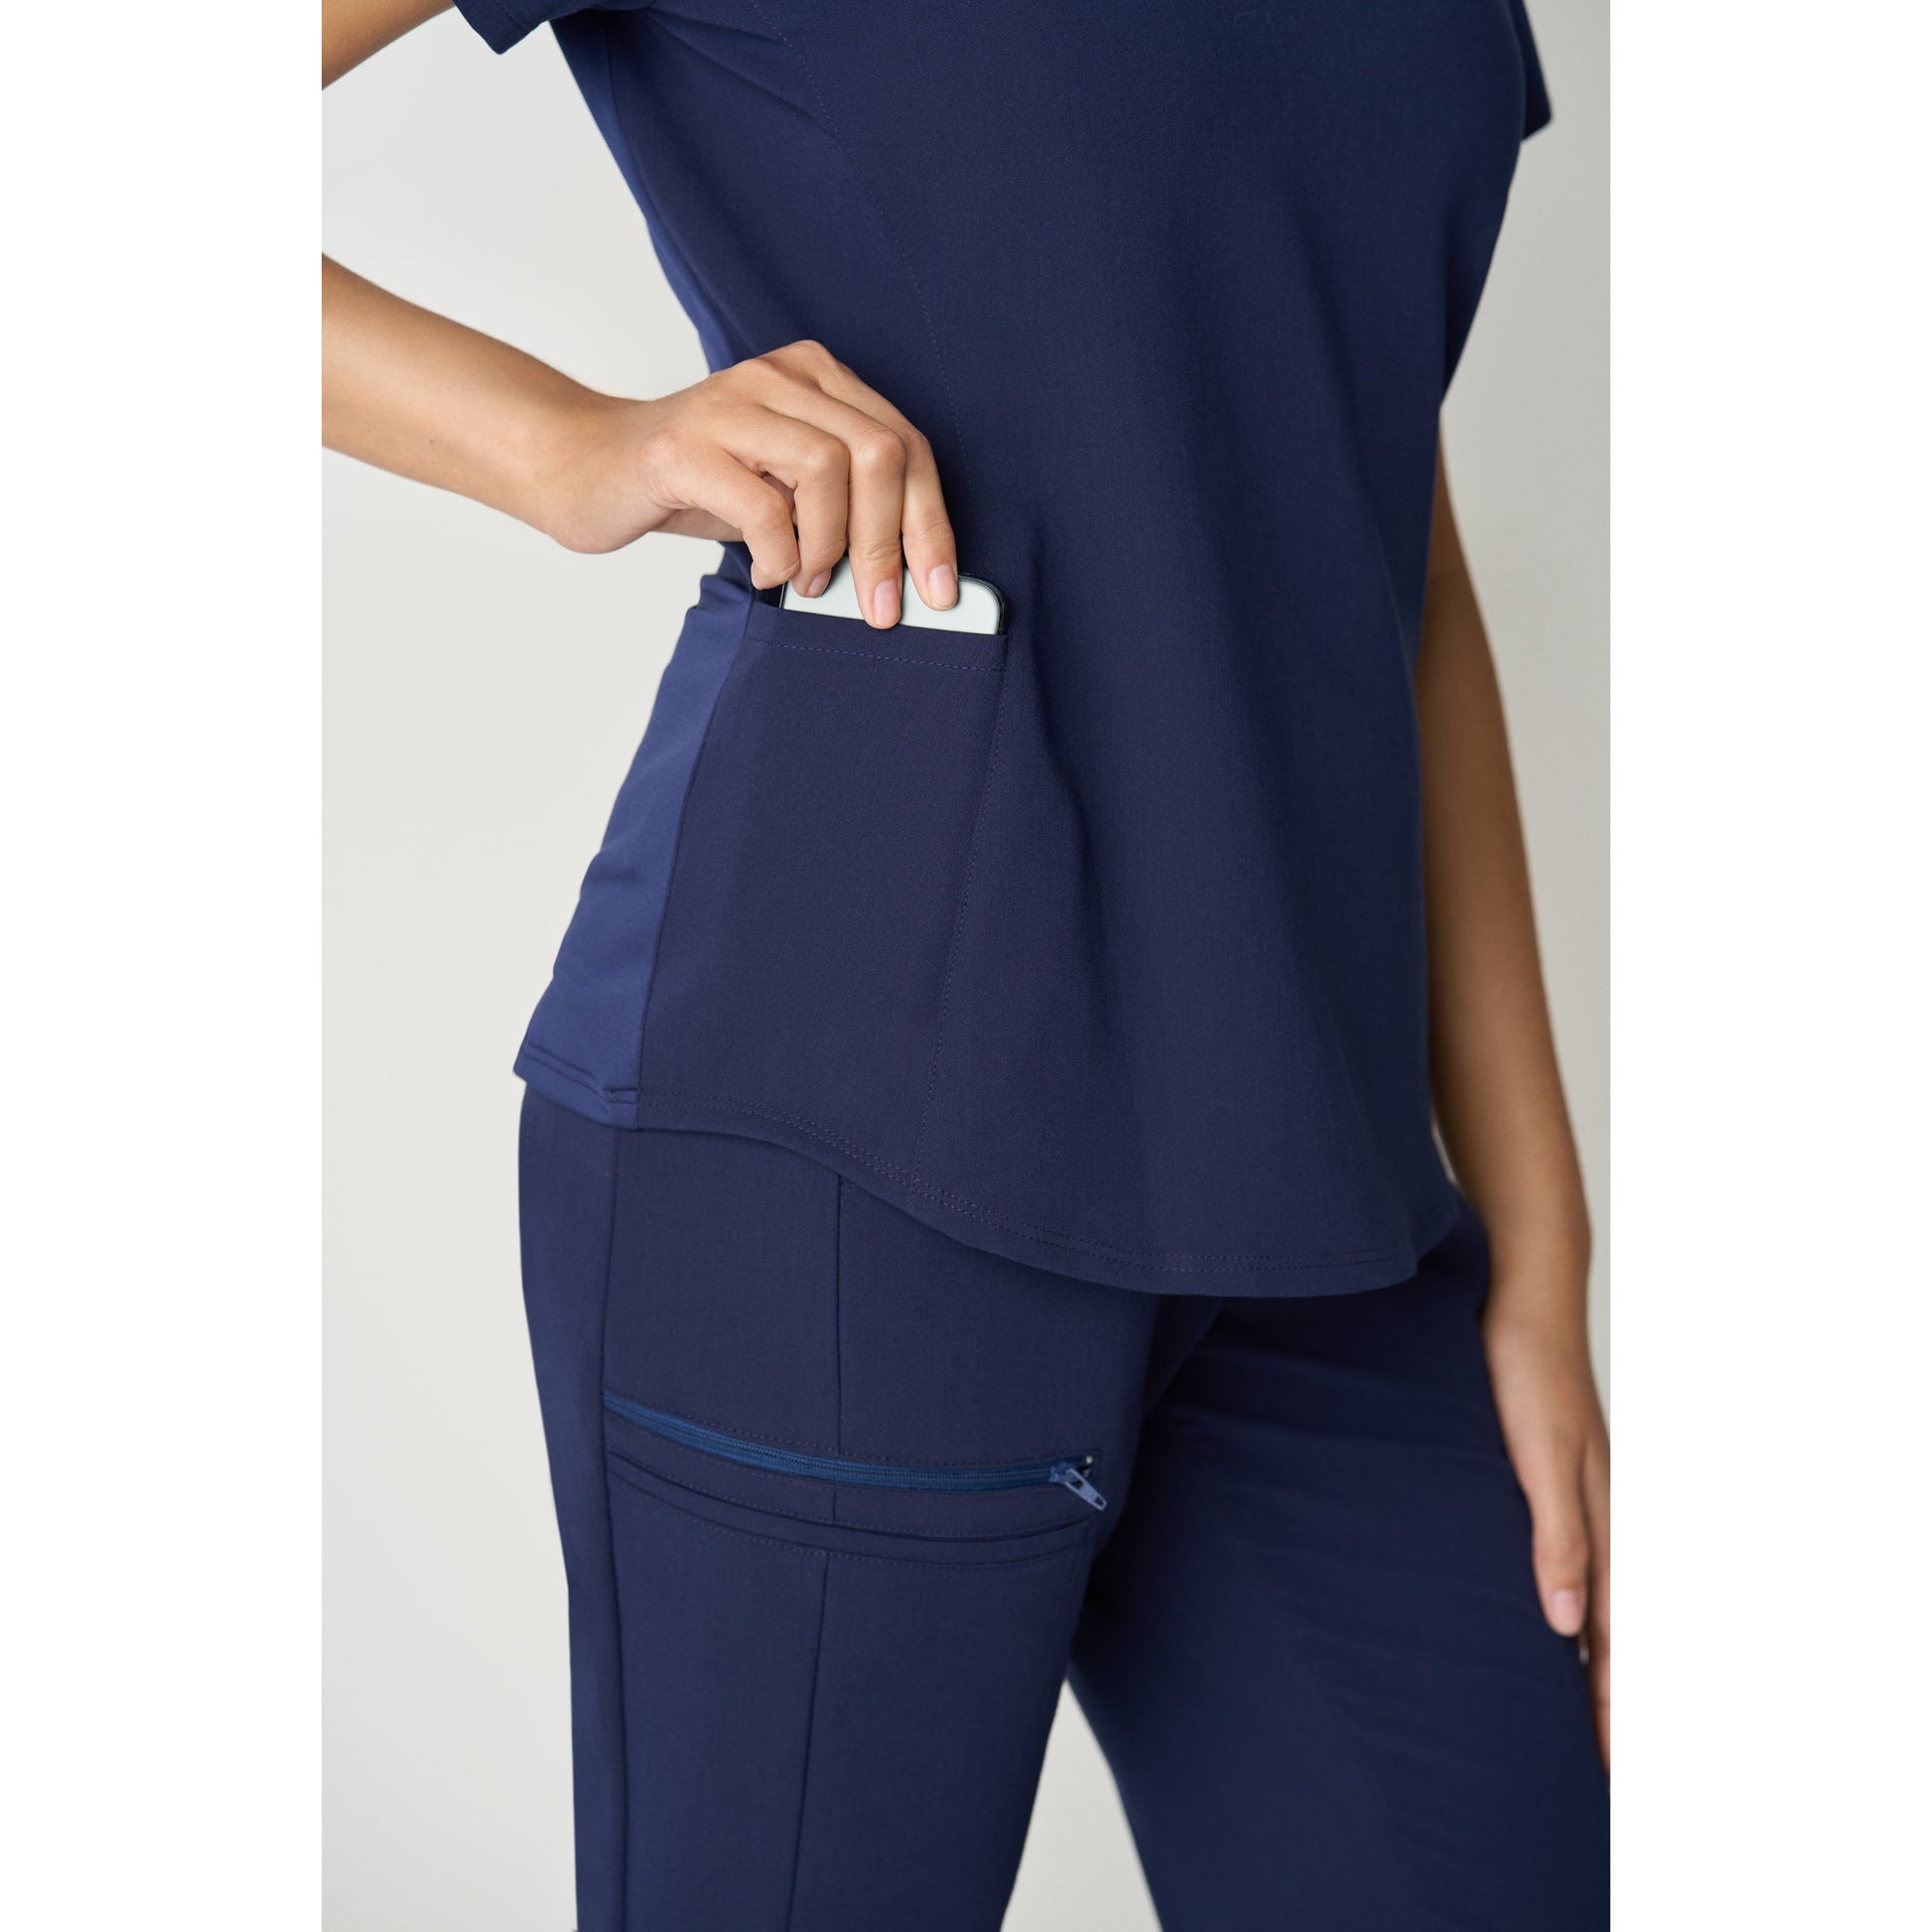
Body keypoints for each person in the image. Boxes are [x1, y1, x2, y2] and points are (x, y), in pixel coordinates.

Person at [324, 0, 1609, 1924]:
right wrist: (565, 445)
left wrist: (1540, 1250)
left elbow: (1374, 532)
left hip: (1325, 1202)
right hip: (851, 1158)